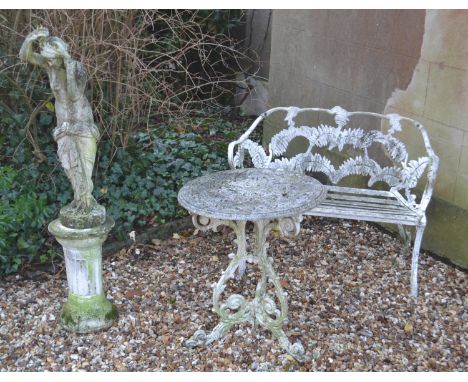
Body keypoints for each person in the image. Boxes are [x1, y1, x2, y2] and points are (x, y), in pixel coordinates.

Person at [19, 27, 100, 212]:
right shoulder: (49, 66)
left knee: (84, 170)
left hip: (82, 123)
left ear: (61, 56)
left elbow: (73, 95)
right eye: (47, 59)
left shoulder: (77, 68)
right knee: (69, 166)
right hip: (63, 123)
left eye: (52, 59)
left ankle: (86, 205)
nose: (49, 63)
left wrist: (68, 65)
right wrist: (31, 39)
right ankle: (79, 201)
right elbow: (25, 56)